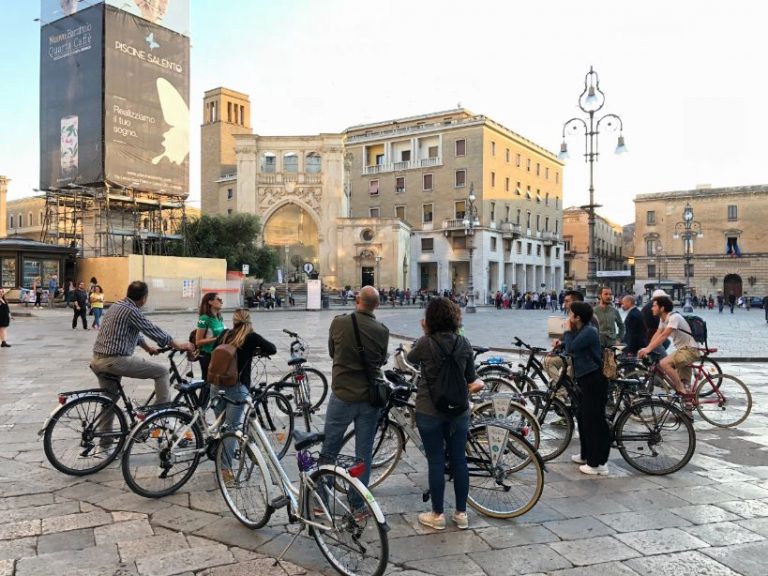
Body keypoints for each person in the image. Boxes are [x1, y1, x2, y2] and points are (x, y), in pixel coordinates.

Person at [407, 297, 484, 530]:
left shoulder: (425, 342)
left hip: (429, 409)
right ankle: (461, 514)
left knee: (436, 461)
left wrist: (424, 332)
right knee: (458, 458)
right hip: (459, 411)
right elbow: (471, 378)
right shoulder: (464, 342)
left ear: (430, 319)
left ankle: (437, 515)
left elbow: (409, 360)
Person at [320, 285, 389, 496]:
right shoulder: (382, 330)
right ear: (377, 305)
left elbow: (333, 352)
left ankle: (322, 498)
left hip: (342, 394)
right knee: (363, 453)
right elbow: (381, 359)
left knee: (330, 446)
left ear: (356, 299)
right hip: (369, 398)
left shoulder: (339, 323)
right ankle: (358, 503)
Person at [90, 281, 195, 408]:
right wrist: (178, 345)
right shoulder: (131, 310)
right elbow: (152, 330)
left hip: (97, 360)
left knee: (109, 403)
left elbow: (132, 332)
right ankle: (161, 414)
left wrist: (148, 348)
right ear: (144, 298)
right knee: (162, 372)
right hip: (115, 360)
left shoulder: (116, 306)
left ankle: (104, 428)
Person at [214, 308, 276, 481]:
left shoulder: (225, 334)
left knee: (222, 426)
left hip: (216, 385)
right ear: (248, 321)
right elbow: (272, 349)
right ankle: (225, 470)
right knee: (232, 427)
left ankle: (218, 454)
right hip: (237, 386)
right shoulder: (251, 337)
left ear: (234, 321)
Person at [563, 301, 610, 476]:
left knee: (594, 420)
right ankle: (586, 454)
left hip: (594, 379)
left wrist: (567, 330)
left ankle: (598, 463)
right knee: (582, 417)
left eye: (570, 314)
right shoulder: (582, 330)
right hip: (584, 379)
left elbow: (571, 347)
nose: (568, 317)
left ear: (578, 317)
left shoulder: (590, 331)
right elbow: (569, 344)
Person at [637, 294, 700, 396]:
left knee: (664, 363)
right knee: (685, 384)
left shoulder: (674, 317)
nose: (651, 308)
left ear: (662, 308)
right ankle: (687, 404)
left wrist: (648, 350)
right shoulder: (663, 319)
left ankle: (680, 388)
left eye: (654, 306)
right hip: (682, 349)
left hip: (689, 350)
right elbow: (658, 334)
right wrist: (648, 348)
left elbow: (664, 335)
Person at [195, 292, 226, 381]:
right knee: (207, 383)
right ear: (210, 302)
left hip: (218, 354)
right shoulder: (204, 318)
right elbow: (198, 341)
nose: (221, 302)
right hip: (207, 354)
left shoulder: (219, 317)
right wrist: (217, 339)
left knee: (217, 384)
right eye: (219, 299)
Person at [641, 289, 668, 358]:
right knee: (664, 358)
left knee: (667, 342)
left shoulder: (649, 305)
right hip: (650, 336)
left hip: (648, 335)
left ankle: (654, 359)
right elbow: (659, 324)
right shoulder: (654, 308)